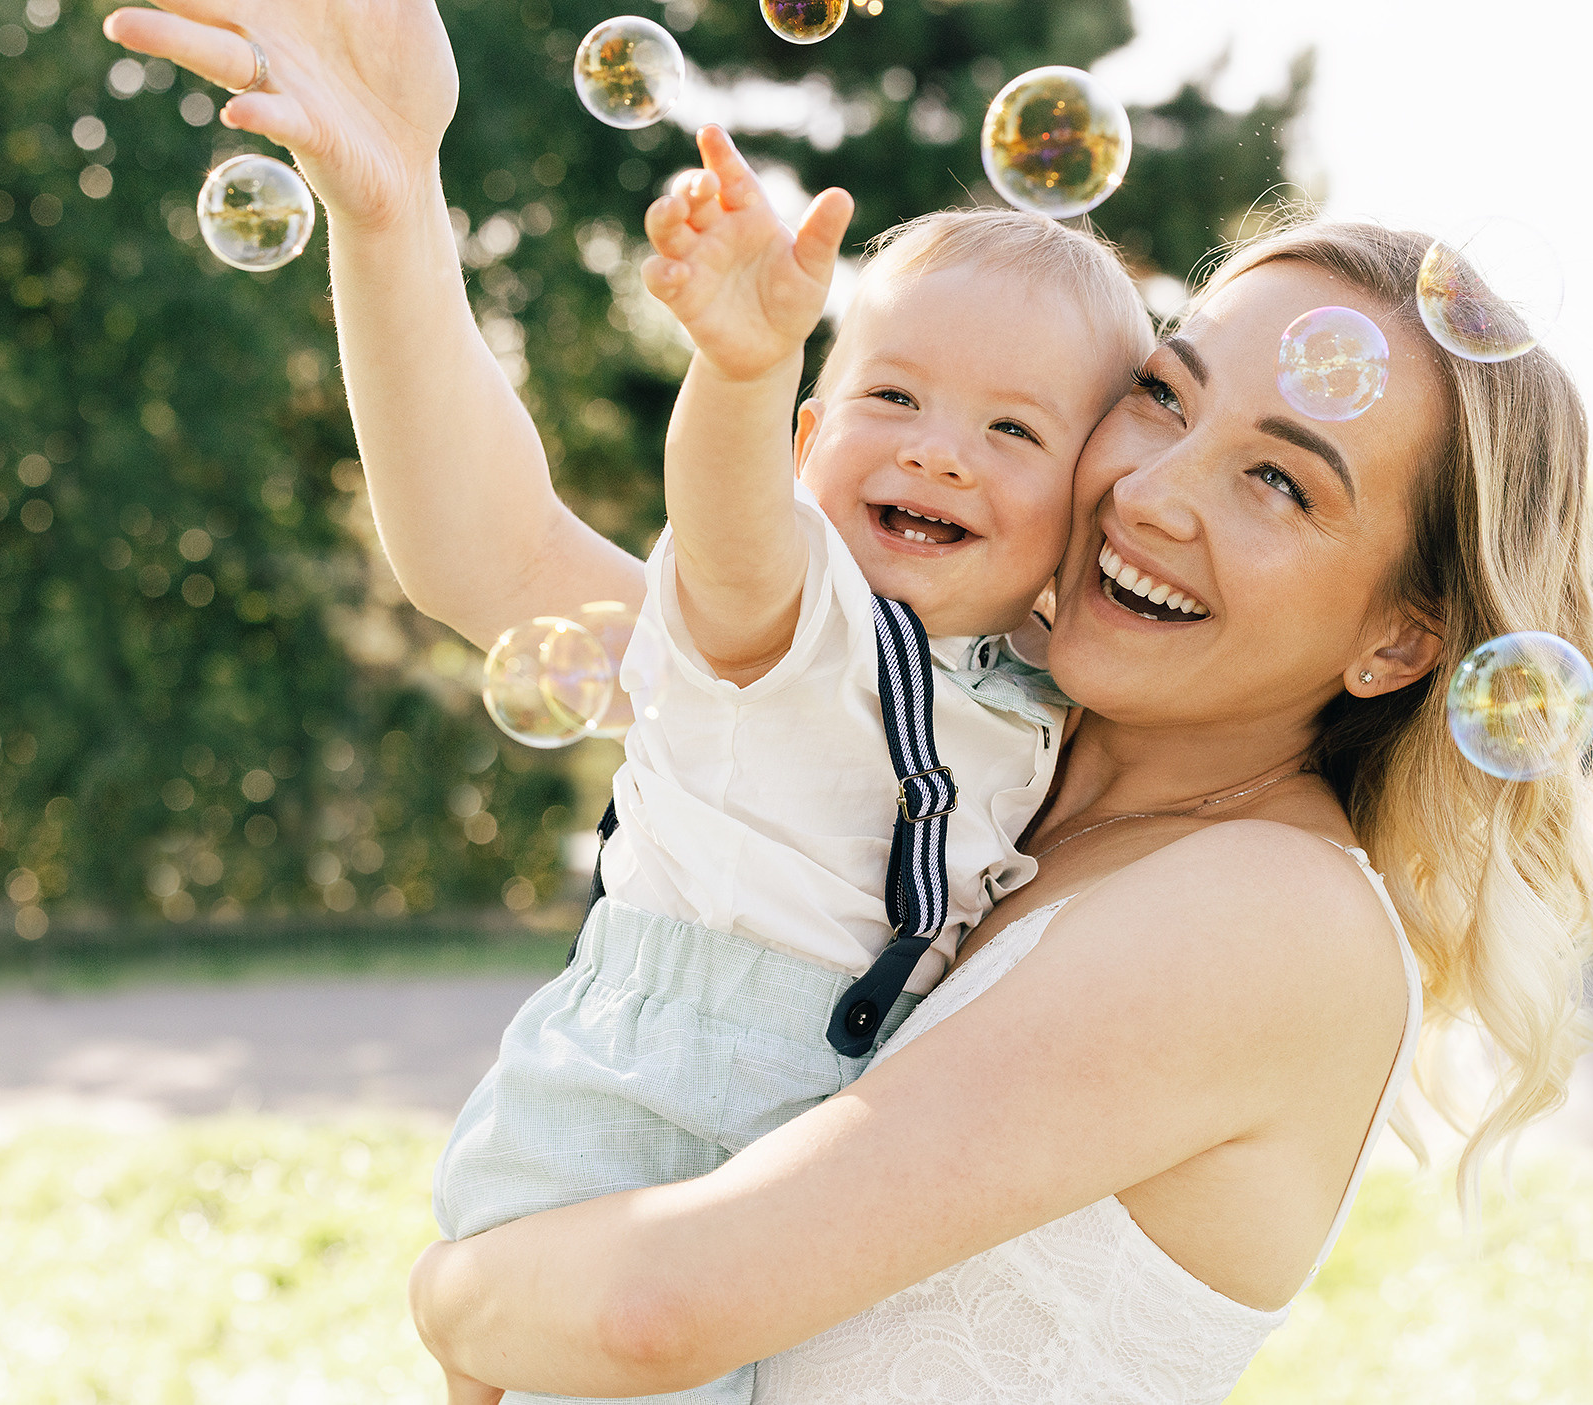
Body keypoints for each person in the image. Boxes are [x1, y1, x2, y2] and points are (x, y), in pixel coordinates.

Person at [99, 3, 1593, 1399]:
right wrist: (391, 197)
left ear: (1402, 642)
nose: (1153, 489)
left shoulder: (1274, 916)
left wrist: (451, 1294)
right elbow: (495, 561)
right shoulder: (953, 723)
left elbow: (651, 1312)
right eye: (1165, 392)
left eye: (1281, 477)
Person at [426, 126, 1143, 1405]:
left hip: (810, 1157)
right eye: (892, 398)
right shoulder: (792, 615)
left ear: (1081, 512)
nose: (936, 450)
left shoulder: (1037, 687)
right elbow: (730, 523)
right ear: (808, 443)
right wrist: (742, 370)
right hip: (642, 1118)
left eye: (1012, 430)